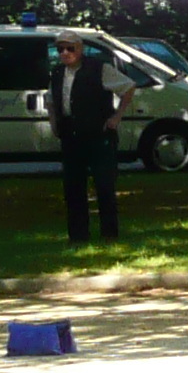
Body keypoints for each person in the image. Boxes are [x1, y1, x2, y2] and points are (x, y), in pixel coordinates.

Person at [47, 33, 132, 246]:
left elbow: (128, 87)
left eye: (70, 48)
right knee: (73, 187)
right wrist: (54, 123)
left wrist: (116, 117)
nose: (65, 53)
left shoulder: (99, 68)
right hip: (71, 135)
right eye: (60, 49)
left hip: (98, 135)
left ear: (80, 48)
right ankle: (77, 235)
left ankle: (109, 234)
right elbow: (51, 100)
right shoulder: (57, 73)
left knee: (104, 185)